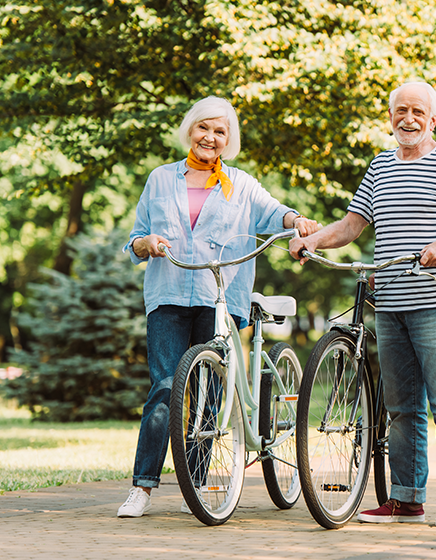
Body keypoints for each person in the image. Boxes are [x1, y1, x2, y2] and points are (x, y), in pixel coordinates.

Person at [290, 81, 436, 528]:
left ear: (433, 119)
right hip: (389, 303)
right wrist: (310, 240)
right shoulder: (380, 167)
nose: (408, 119)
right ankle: (405, 498)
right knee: (401, 407)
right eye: (399, 110)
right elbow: (352, 226)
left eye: (417, 111)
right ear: (390, 117)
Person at [117, 96, 319, 518]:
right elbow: (134, 238)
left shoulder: (240, 184)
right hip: (168, 296)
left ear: (229, 140)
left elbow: (272, 211)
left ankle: (196, 482)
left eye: (220, 131)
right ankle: (143, 486)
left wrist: (296, 220)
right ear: (190, 129)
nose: (210, 137)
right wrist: (146, 243)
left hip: (218, 299)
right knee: (165, 388)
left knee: (210, 391)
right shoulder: (159, 179)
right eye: (204, 128)